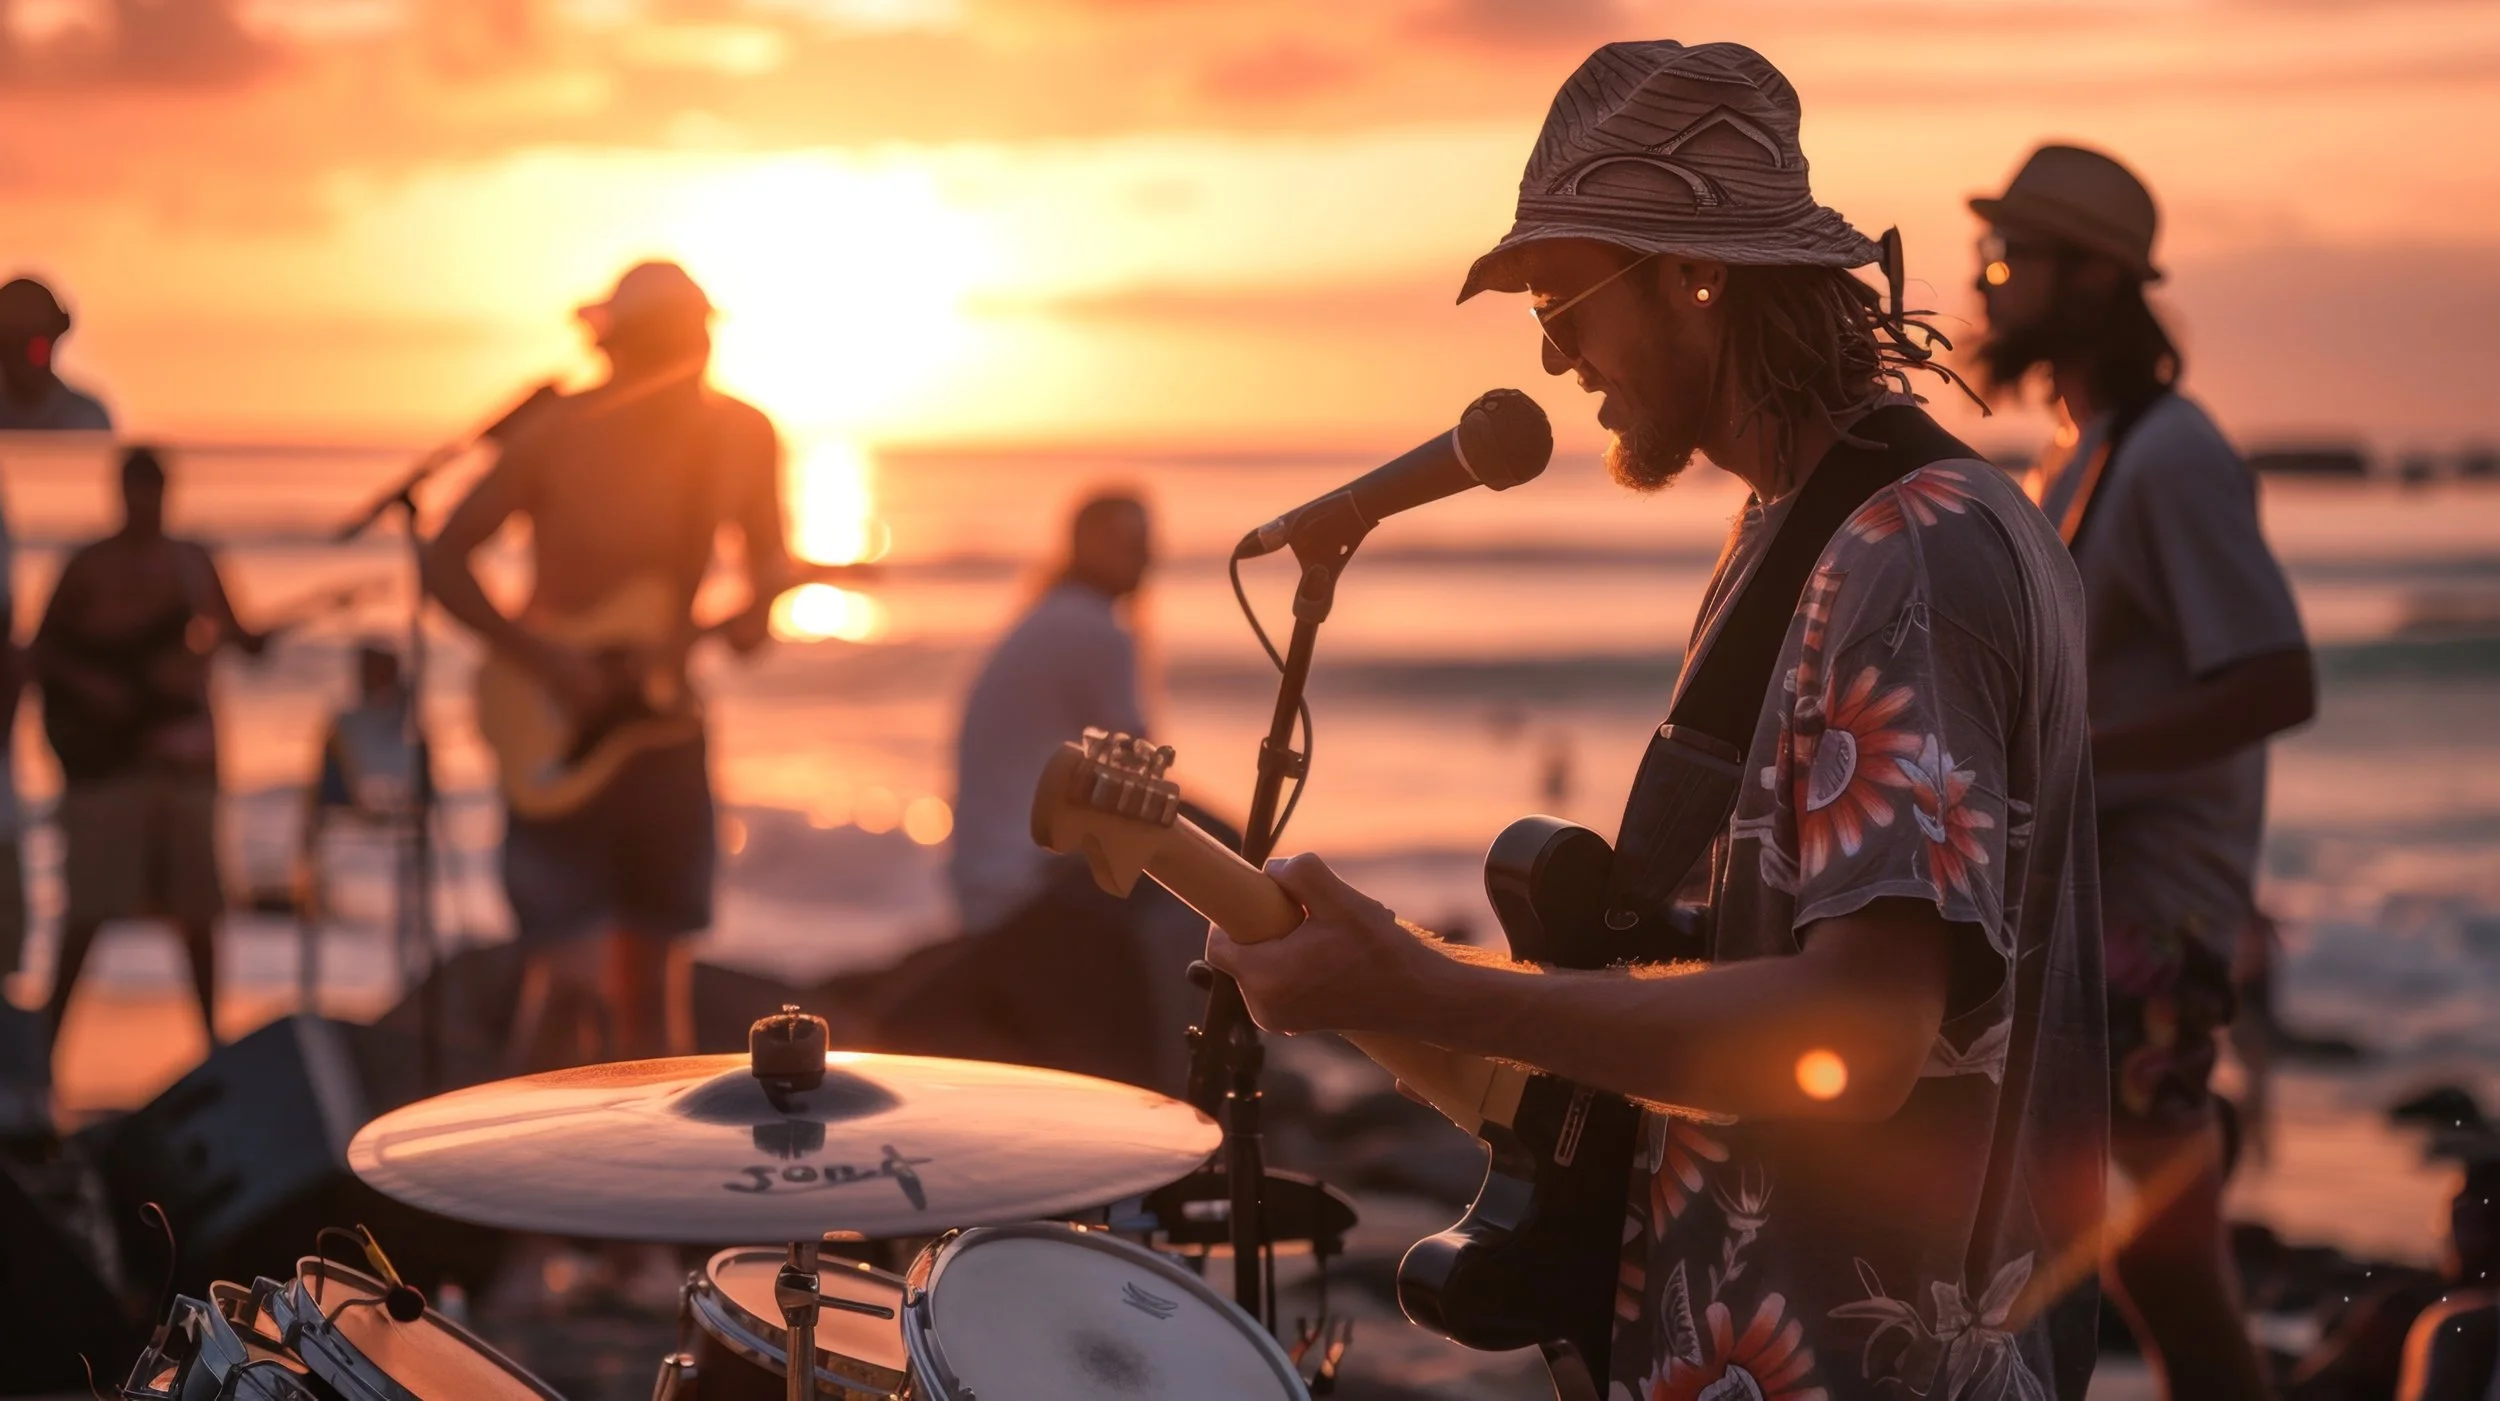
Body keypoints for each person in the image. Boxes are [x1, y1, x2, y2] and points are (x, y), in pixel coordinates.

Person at [1204, 41, 2108, 1400]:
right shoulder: (1802, 529)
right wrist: (1398, 985)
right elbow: (1719, 988)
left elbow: (1855, 1038)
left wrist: (1413, 985)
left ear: (1699, 276)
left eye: (1566, 296)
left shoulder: (1915, 545)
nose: (1555, 356)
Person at [1972, 142, 2317, 1401]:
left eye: (2011, 258)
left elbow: (2279, 679)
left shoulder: (2172, 459)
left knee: (2092, 1271)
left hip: (2150, 938)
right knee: (2141, 1276)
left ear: (2093, 278)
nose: (1987, 283)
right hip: (2098, 927)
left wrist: (2063, 763)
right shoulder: (2083, 451)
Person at [424, 260, 786, 1069]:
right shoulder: (555, 431)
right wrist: (546, 659)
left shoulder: (742, 437)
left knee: (657, 1002)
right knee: (569, 990)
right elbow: (443, 557)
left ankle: (657, 1186)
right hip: (558, 731)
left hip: (664, 729)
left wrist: (760, 606)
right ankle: (534, 1187)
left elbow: (753, 629)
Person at [862, 492, 1166, 1086]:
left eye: (1147, 543)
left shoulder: (1049, 616)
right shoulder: (1094, 631)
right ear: (1083, 545)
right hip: (1023, 880)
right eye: (1128, 543)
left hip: (981, 875)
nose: (1145, 558)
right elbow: (1141, 777)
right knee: (1196, 857)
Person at [35, 446, 265, 1052]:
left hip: (184, 761)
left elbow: (238, 635)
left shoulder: (193, 561)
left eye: (152, 492)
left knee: (198, 914)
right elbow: (42, 653)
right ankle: (44, 1054)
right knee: (87, 911)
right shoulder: (89, 565)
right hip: (108, 769)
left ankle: (211, 1047)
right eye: (133, 492)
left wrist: (256, 640)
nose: (143, 506)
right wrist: (96, 687)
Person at [0, 277, 112, 433]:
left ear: (53, 337)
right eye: (10, 342)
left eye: (34, 343)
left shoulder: (86, 422)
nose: (21, 356)